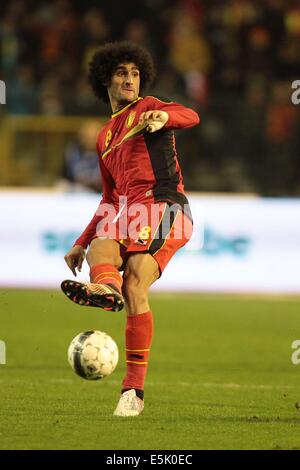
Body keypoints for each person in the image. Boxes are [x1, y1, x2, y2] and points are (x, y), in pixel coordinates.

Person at [61, 41, 200, 417]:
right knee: (101, 246)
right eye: (122, 73)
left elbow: (190, 116)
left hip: (167, 206)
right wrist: (80, 241)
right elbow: (109, 199)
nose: (129, 80)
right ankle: (107, 288)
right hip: (130, 211)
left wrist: (163, 119)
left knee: (136, 277)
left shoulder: (149, 108)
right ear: (105, 79)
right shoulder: (104, 136)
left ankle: (132, 392)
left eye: (135, 74)